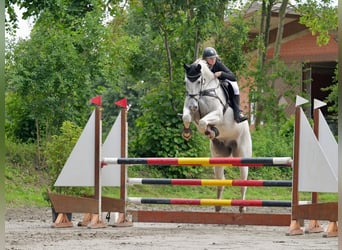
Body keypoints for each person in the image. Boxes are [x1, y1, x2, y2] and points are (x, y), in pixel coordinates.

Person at [202, 47, 247, 123]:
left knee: (234, 86)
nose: (213, 60)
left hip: (218, 84)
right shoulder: (202, 65)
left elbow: (232, 76)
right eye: (210, 58)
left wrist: (221, 73)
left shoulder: (218, 64)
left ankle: (237, 113)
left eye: (214, 58)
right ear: (205, 59)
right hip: (204, 86)